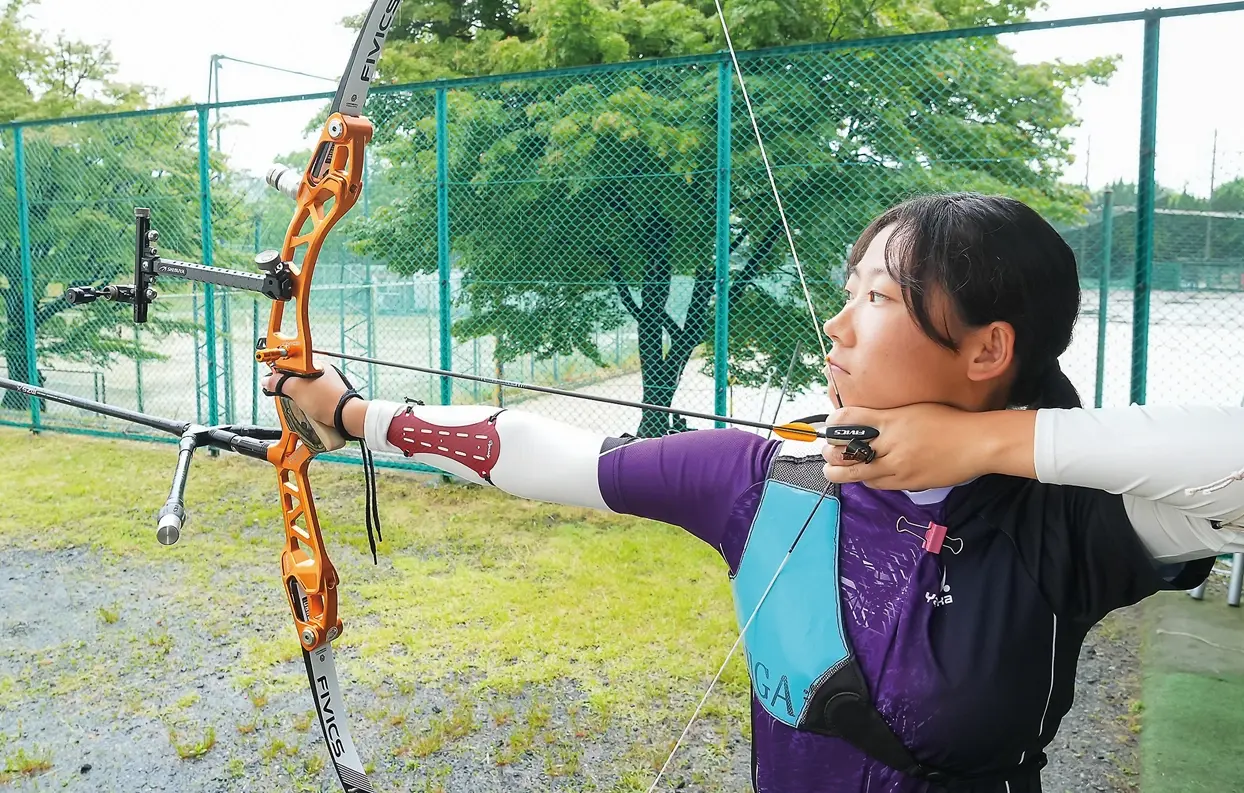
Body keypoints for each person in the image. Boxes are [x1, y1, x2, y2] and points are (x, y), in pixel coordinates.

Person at [263, 193, 1244, 792]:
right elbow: (543, 454)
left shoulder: (1068, 522)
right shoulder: (766, 475)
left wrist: (980, 442)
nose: (836, 323)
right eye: (847, 287)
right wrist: (353, 416)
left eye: (877, 298)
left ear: (988, 348)